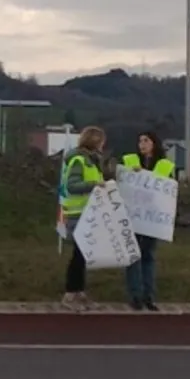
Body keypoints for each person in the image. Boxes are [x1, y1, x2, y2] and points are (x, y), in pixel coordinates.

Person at [121, 130, 174, 311]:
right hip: (134, 216)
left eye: (145, 140)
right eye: (139, 141)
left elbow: (167, 189)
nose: (141, 144)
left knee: (149, 256)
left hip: (153, 218)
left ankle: (149, 296)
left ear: (154, 143)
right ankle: (135, 295)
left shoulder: (165, 164)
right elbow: (123, 182)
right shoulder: (129, 161)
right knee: (133, 256)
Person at [60, 125, 108, 310]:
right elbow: (73, 186)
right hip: (78, 213)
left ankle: (79, 292)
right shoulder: (79, 161)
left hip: (88, 212)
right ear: (95, 141)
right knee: (78, 255)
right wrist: (95, 185)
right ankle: (70, 294)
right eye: (101, 141)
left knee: (83, 255)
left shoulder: (91, 162)